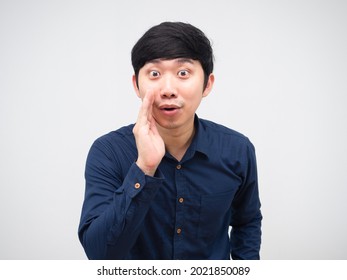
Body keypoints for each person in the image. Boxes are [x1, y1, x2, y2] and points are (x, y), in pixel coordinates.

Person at [78, 21, 262, 260]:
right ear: (136, 84)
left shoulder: (237, 149)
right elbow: (99, 254)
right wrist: (144, 169)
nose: (168, 89)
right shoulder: (108, 152)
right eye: (154, 74)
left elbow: (247, 222)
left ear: (207, 84)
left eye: (183, 73)